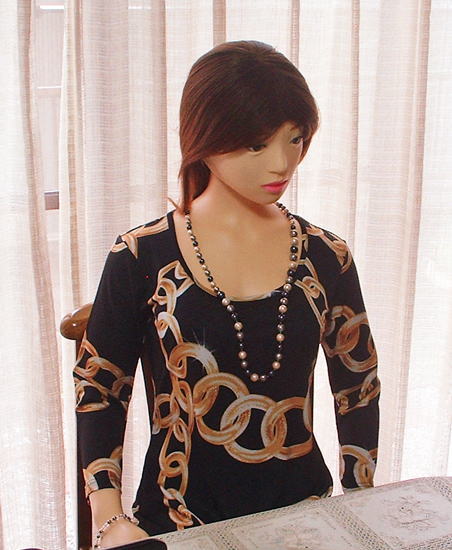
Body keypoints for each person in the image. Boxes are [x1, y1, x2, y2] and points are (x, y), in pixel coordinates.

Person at [73, 40, 380, 548]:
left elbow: (358, 385)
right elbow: (100, 386)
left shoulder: (328, 257)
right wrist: (109, 518)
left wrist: (360, 499)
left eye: (295, 139)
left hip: (304, 520)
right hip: (176, 523)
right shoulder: (141, 256)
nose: (282, 163)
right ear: (204, 139)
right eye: (256, 145)